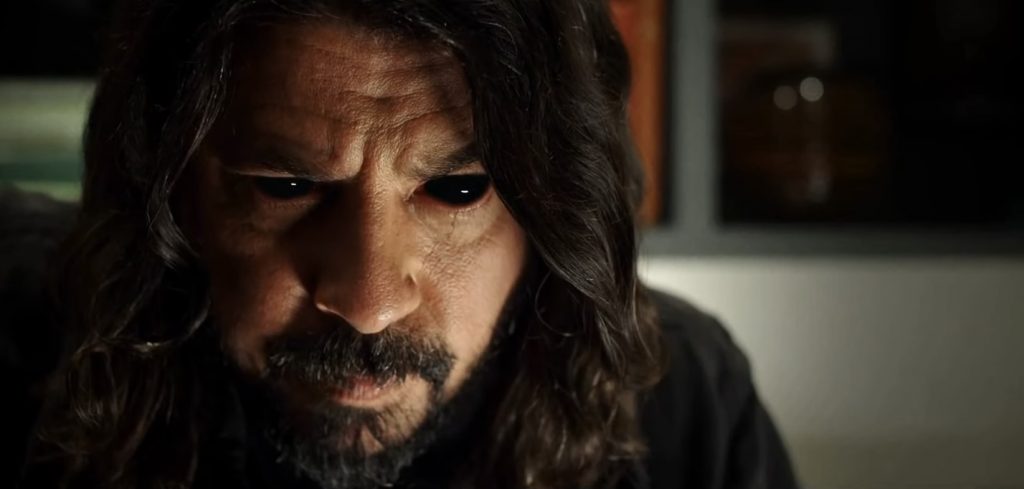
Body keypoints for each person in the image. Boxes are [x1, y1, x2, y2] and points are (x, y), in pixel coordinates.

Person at [2, 1, 799, 488]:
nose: (370, 302)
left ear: (554, 213)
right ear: (168, 191)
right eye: (285, 185)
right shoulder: (26, 352)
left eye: (458, 189)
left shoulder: (681, 406)